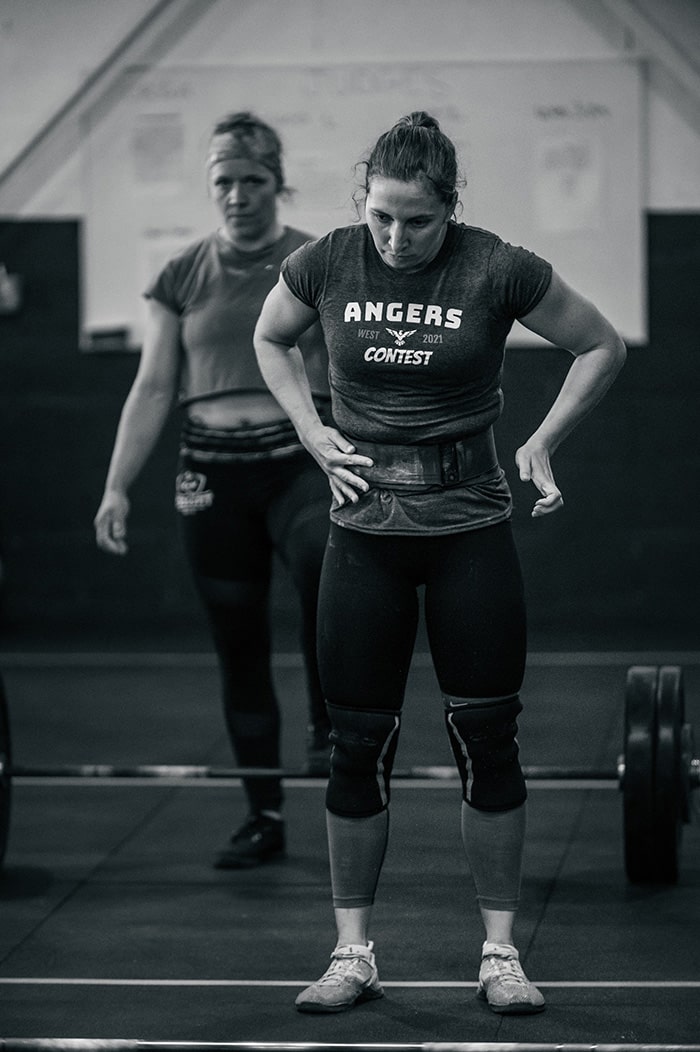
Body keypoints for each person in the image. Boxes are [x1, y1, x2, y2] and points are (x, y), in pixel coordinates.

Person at [253, 111, 626, 1014]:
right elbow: (270, 338)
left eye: (417, 220)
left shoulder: (498, 266)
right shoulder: (326, 261)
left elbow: (601, 344)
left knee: (487, 740)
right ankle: (352, 952)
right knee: (356, 746)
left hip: (469, 526)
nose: (396, 237)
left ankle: (499, 953)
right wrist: (311, 430)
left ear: (450, 209)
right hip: (364, 529)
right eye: (382, 216)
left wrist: (541, 444)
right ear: (361, 201)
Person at [94, 112, 333, 869]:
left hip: (299, 463)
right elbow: (154, 385)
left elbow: (354, 370)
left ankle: (329, 729)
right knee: (239, 645)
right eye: (223, 182)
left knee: (325, 572)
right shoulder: (180, 274)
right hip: (211, 474)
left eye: (253, 180)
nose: (237, 195)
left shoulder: (317, 259)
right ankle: (263, 814)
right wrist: (116, 487)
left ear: (277, 182)